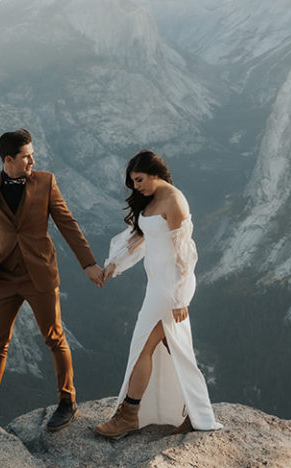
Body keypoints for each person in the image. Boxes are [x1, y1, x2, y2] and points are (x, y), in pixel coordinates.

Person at [0, 128, 105, 432]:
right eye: (27, 156)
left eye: (33, 155)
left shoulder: (45, 182)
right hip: (4, 274)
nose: (33, 160)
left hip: (39, 273)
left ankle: (67, 401)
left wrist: (89, 263)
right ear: (9, 159)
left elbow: (67, 223)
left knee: (54, 337)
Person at [93, 149, 220, 437]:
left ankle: (129, 414)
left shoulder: (174, 201)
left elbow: (184, 256)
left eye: (139, 180)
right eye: (133, 182)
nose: (136, 187)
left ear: (155, 174)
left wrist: (179, 298)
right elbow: (139, 235)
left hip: (168, 292)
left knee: (143, 348)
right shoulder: (150, 200)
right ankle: (194, 412)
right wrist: (113, 264)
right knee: (174, 351)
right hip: (156, 288)